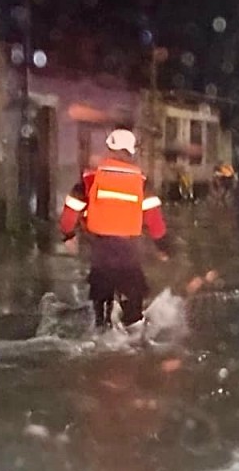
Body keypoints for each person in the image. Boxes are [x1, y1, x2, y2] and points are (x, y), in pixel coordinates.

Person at [59, 128, 171, 329]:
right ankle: (133, 338)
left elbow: (70, 212)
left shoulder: (90, 179)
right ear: (131, 152)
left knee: (100, 307)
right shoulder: (142, 183)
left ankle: (101, 329)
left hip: (100, 250)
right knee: (133, 312)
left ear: (109, 148)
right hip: (128, 252)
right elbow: (155, 222)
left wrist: (68, 235)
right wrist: (163, 247)